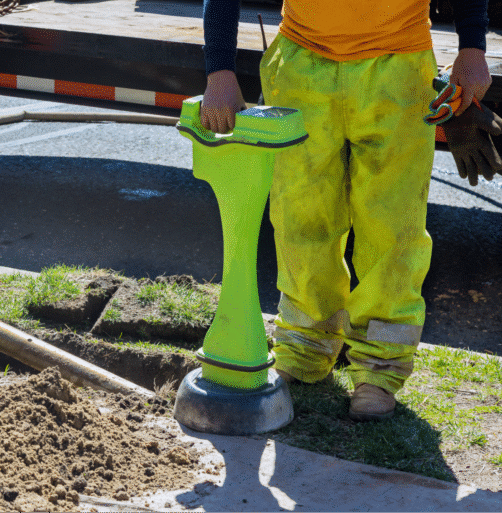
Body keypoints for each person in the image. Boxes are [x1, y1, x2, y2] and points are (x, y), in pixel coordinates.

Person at [200, 0, 493, 421]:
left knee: (393, 225)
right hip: (302, 64)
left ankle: (379, 368)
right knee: (301, 216)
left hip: (399, 68)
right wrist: (220, 69)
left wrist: (473, 48)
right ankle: (304, 348)